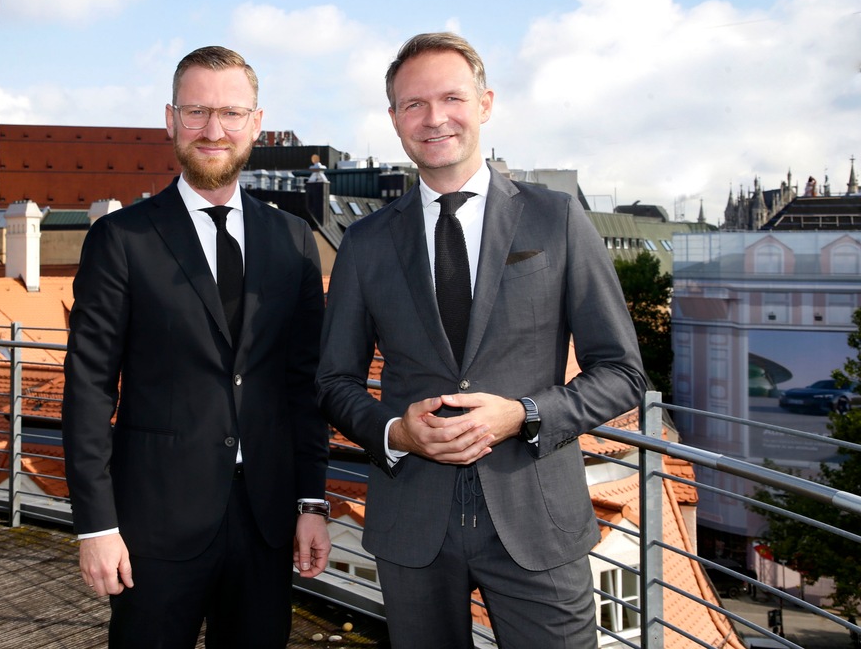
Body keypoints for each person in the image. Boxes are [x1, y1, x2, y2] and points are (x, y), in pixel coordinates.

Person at [315, 32, 648, 648]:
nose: (434, 118)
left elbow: (622, 373)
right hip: (413, 522)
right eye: (414, 104)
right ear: (394, 120)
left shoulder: (555, 218)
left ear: (485, 103)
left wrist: (522, 415)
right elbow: (333, 382)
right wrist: (396, 432)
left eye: (451, 98)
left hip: (537, 519)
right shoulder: (365, 243)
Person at [62, 46, 331, 649]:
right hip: (153, 524)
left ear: (256, 123)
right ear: (169, 119)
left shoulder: (291, 239)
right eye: (196, 112)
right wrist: (96, 526)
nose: (214, 130)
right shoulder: (121, 239)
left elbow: (303, 385)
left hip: (267, 520)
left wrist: (312, 502)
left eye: (231, 113)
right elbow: (87, 390)